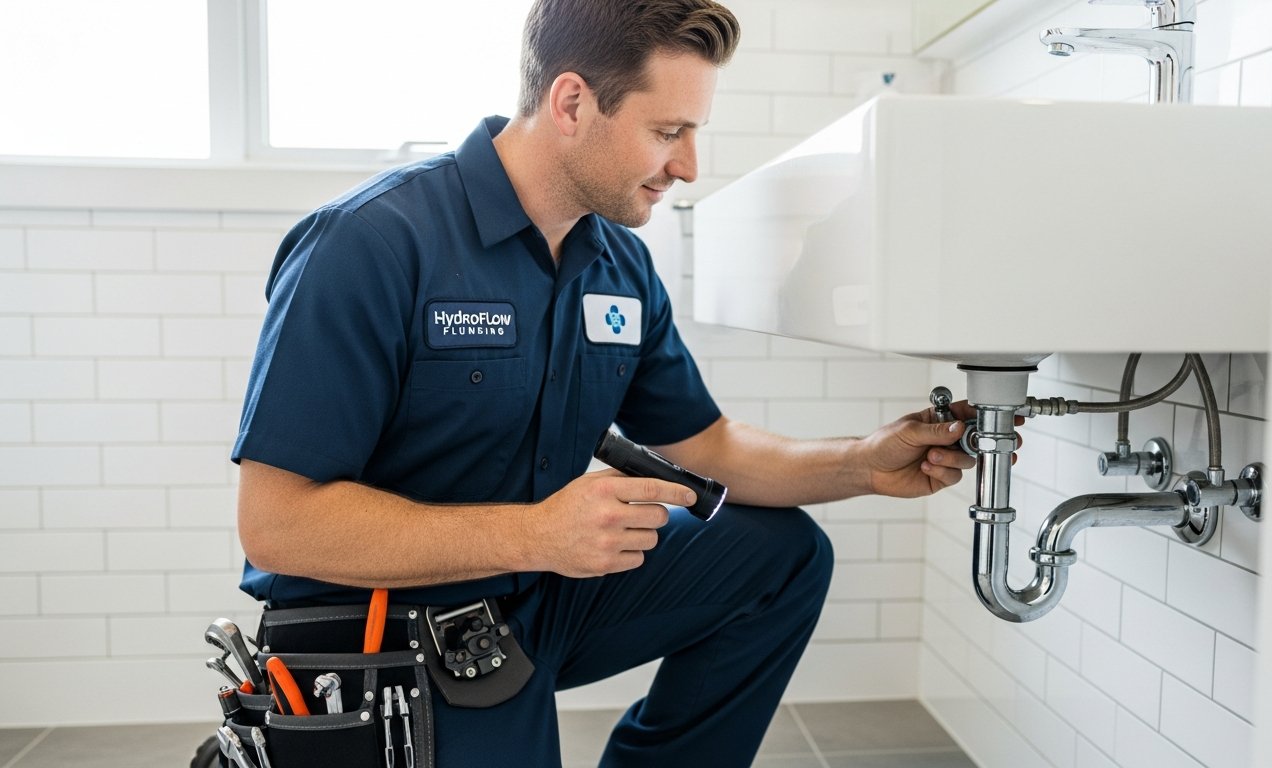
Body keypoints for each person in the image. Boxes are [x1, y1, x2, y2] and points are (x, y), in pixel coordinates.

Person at [231, 0, 980, 765]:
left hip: (535, 592)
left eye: (693, 133)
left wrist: (859, 462)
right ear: (572, 102)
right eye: (667, 132)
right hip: (384, 629)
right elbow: (279, 524)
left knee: (781, 553)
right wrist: (537, 534)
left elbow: (706, 442)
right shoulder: (373, 242)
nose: (688, 166)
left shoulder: (617, 267)